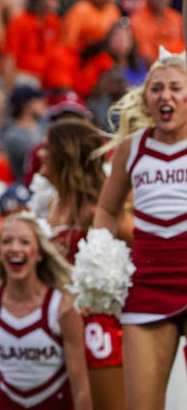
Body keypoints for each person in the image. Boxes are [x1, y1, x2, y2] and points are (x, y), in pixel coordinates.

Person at [93, 42, 187, 410]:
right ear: (146, 97)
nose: (166, 95)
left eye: (176, 87)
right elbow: (106, 209)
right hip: (148, 284)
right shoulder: (132, 148)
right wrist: (101, 259)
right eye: (157, 87)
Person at [40, 119, 126, 410]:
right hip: (50, 326)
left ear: (66, 154)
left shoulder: (96, 210)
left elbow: (138, 256)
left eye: (48, 148)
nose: (41, 153)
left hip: (95, 329)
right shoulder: (52, 202)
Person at [0, 212, 92, 410]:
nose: (14, 248)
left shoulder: (62, 307)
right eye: (6, 242)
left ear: (39, 253)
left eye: (24, 242)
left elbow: (81, 388)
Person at [129, 0, 184, 64]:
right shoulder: (137, 20)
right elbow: (146, 56)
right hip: (154, 69)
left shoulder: (176, 17)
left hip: (179, 64)